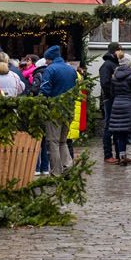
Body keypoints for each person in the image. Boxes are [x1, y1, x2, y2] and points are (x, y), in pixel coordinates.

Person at [36, 45, 79, 175]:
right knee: (62, 141)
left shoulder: (50, 70)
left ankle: (56, 172)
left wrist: (39, 102)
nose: (46, 62)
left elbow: (45, 90)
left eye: (47, 59)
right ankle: (68, 168)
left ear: (50, 58)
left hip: (54, 110)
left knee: (52, 142)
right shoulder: (71, 70)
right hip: (68, 109)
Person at [97, 45, 124, 164]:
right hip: (110, 100)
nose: (122, 52)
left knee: (118, 126)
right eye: (120, 49)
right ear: (114, 51)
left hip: (116, 99)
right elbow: (105, 83)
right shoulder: (107, 65)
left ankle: (119, 154)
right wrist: (113, 95)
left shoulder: (115, 64)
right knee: (109, 126)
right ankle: (108, 155)